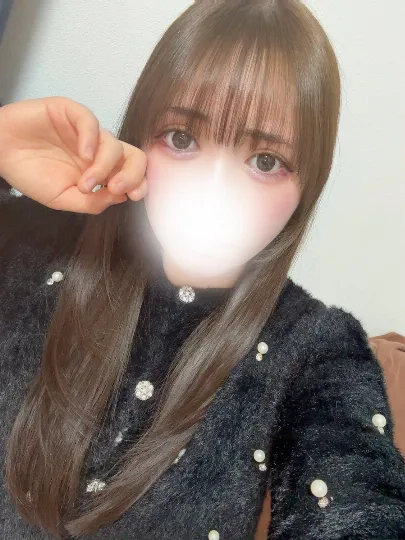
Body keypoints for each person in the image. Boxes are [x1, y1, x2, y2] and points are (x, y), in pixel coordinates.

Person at [0, 1, 404, 539]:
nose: (215, 190)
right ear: (139, 133)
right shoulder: (33, 238)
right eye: (182, 138)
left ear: (307, 185)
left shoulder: (315, 350)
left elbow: (358, 503)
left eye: (266, 161)